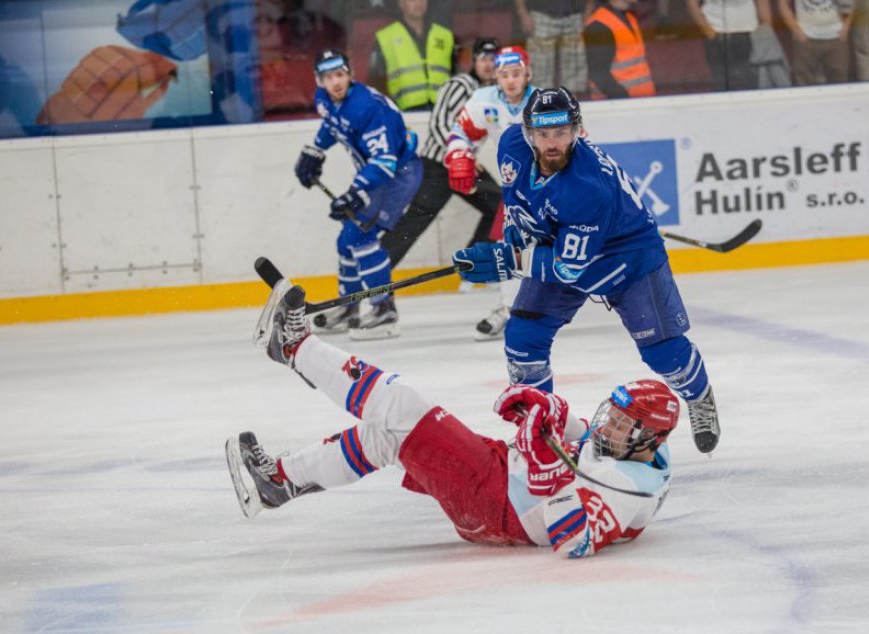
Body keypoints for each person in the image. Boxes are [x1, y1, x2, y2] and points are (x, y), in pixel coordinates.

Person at [227, 279, 677, 558]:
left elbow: (569, 536)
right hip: (500, 477)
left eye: (621, 424)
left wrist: (541, 459)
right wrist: (552, 411)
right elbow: (587, 450)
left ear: (647, 438)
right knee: (385, 436)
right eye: (612, 416)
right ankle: (279, 481)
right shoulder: (644, 454)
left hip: (498, 504)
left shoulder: (629, 489)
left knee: (401, 406)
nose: (608, 426)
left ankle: (294, 347)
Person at [451, 87, 721, 453]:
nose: (551, 143)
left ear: (577, 130)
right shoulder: (511, 143)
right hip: (564, 242)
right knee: (523, 337)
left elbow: (568, 268)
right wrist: (516, 228)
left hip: (628, 256)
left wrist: (507, 261)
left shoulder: (586, 186)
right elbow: (516, 196)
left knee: (663, 352)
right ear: (528, 132)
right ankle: (539, 431)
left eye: (561, 132)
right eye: (543, 134)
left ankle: (698, 395)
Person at [294, 49, 423, 340]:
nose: (336, 82)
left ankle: (384, 311)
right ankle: (348, 307)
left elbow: (385, 162)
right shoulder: (325, 100)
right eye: (328, 77)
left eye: (340, 75)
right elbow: (333, 125)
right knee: (347, 239)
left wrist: (355, 193)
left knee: (362, 235)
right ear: (319, 81)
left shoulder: (367, 107)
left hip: (397, 176)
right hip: (375, 173)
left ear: (350, 74)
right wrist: (315, 150)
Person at [381, 36, 502, 269]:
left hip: (466, 167)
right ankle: (375, 271)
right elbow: (438, 124)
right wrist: (461, 154)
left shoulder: (492, 95)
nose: (489, 64)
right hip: (438, 167)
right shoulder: (460, 85)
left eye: (494, 59)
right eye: (483, 58)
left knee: (500, 205)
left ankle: (473, 267)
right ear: (473, 61)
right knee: (415, 221)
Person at [446, 45, 537, 340]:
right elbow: (461, 132)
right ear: (496, 77)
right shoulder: (484, 102)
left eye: (516, 73)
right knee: (510, 245)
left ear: (528, 73)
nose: (510, 80)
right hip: (516, 191)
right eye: (504, 74)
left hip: (553, 188)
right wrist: (461, 156)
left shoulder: (543, 103)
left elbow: (578, 143)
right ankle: (512, 309)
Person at [369, 0, 457, 111]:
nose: (418, 3)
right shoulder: (386, 37)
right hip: (404, 111)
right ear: (401, 3)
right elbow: (378, 79)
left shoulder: (445, 35)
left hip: (443, 109)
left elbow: (455, 73)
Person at [685, 0, 772, 91]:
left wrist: (766, 33)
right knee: (721, 84)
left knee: (753, 83)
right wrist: (709, 32)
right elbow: (692, 3)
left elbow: (763, 2)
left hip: (749, 32)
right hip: (717, 33)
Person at [582, 0, 656, 99]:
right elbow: (599, 75)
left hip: (639, 101)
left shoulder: (629, 17)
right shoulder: (599, 26)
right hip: (618, 105)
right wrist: (625, 100)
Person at [514, 0, 589, 96]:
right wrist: (523, 14)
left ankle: (571, 105)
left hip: (574, 15)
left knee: (574, 72)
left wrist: (588, 12)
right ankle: (541, 105)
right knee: (539, 72)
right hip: (540, 14)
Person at [779, 0, 851, 86]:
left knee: (839, 85)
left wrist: (846, 27)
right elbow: (783, 4)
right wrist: (797, 31)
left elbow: (850, 3)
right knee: (803, 85)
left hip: (836, 38)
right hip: (805, 38)